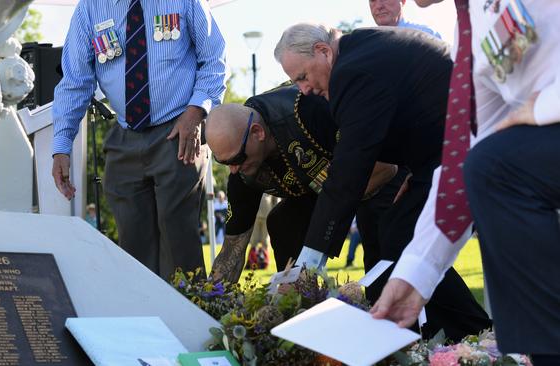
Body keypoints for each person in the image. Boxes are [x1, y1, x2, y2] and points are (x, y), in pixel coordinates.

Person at [274, 23, 491, 340]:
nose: (303, 89)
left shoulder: (352, 71)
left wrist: (307, 267)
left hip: (467, 147)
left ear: (323, 51)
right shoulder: (361, 50)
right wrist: (416, 172)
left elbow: (348, 172)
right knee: (395, 232)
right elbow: (408, 111)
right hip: (443, 152)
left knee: (401, 236)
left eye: (303, 77)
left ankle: (475, 335)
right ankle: (443, 334)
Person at [371, 1, 560, 362]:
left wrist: (541, 108)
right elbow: (464, 157)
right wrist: (415, 275)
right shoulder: (469, 27)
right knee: (489, 166)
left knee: (495, 166)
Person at [51, 0, 227, 280]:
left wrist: (196, 112)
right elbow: (75, 82)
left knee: (178, 241)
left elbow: (214, 59)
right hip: (125, 136)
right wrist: (61, 146)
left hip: (179, 130)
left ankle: (185, 318)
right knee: (133, 248)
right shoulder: (90, 9)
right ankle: (143, 318)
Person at [206, 85, 403, 285]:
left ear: (257, 133)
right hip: (323, 189)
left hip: (379, 167)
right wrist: (210, 300)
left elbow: (385, 167)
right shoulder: (242, 169)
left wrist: (321, 235)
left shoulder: (312, 110)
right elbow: (233, 249)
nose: (233, 169)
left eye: (237, 158)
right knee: (282, 221)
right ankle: (299, 301)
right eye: (223, 162)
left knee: (380, 249)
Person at [369, 0, 441, 38]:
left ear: (403, 1)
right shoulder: (365, 45)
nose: (378, 6)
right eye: (373, 0)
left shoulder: (427, 35)